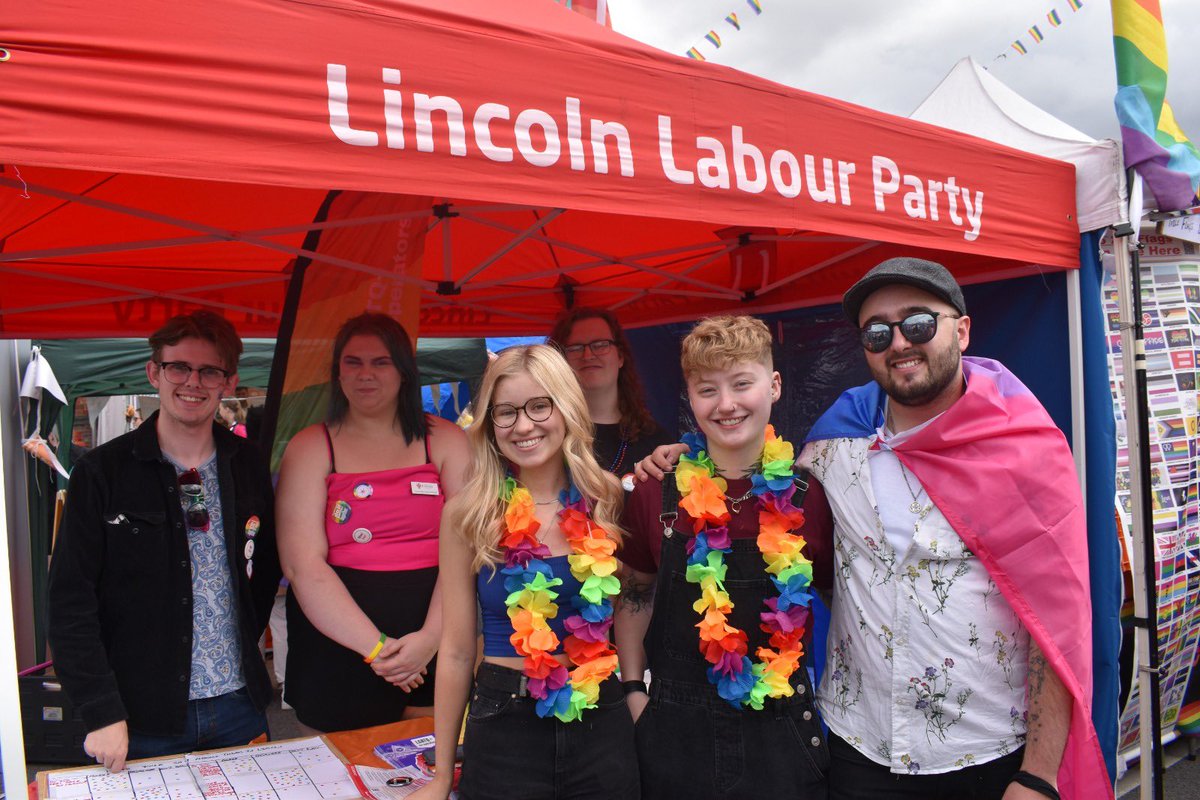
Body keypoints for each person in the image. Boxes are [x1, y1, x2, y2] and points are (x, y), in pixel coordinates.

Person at [800, 258, 1109, 799]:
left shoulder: (1023, 452)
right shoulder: (834, 445)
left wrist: (1037, 776)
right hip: (860, 749)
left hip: (984, 756)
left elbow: (1059, 624)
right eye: (877, 332)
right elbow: (767, 490)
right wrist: (681, 460)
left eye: (918, 323)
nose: (898, 343)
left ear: (961, 330)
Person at [48, 311, 280, 771]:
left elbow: (264, 569)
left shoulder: (248, 464)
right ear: (154, 372)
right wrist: (101, 709)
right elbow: (71, 602)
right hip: (139, 718)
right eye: (179, 367)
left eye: (209, 370)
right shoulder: (102, 473)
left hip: (238, 706)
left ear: (228, 380)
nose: (192, 382)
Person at [615, 315, 833, 799]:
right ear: (690, 399)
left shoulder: (811, 495)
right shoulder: (656, 490)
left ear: (773, 386)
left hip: (781, 733)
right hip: (673, 734)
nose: (727, 405)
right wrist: (633, 691)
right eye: (707, 389)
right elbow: (635, 597)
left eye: (742, 384)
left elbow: (843, 603)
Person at [411, 345, 637, 800]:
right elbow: (455, 651)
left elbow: (635, 600)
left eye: (539, 406)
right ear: (490, 426)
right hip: (504, 721)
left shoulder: (606, 496)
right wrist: (439, 776)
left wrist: (634, 692)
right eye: (506, 412)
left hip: (600, 719)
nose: (524, 425)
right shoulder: (467, 514)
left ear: (566, 407)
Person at [275, 313, 468, 732]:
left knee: (435, 773)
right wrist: (378, 651)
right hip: (338, 650)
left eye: (381, 362)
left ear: (404, 370)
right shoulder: (310, 446)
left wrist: (431, 639)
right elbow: (302, 566)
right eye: (353, 362)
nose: (366, 374)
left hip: (440, 640)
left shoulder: (448, 440)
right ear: (337, 372)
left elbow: (470, 549)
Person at [548, 307, 674, 489]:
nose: (588, 355)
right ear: (561, 360)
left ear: (620, 356)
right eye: (575, 348)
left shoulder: (655, 441)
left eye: (600, 345)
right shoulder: (549, 438)